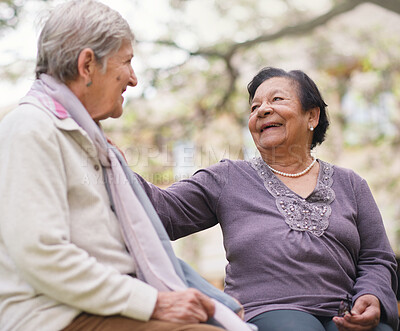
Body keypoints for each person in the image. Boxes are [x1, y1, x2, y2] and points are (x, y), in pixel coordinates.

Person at [0, 1, 253, 330]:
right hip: (56, 314)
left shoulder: (88, 139)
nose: (133, 79)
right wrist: (154, 302)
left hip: (102, 305)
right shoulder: (31, 128)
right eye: (127, 62)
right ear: (87, 64)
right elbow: (42, 253)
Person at [134, 67, 399, 331]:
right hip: (267, 312)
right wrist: (114, 166)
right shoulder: (228, 178)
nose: (261, 110)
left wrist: (371, 295)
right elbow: (161, 212)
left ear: (312, 116)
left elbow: (377, 257)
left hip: (343, 312)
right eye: (254, 107)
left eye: (277, 100)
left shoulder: (351, 184)